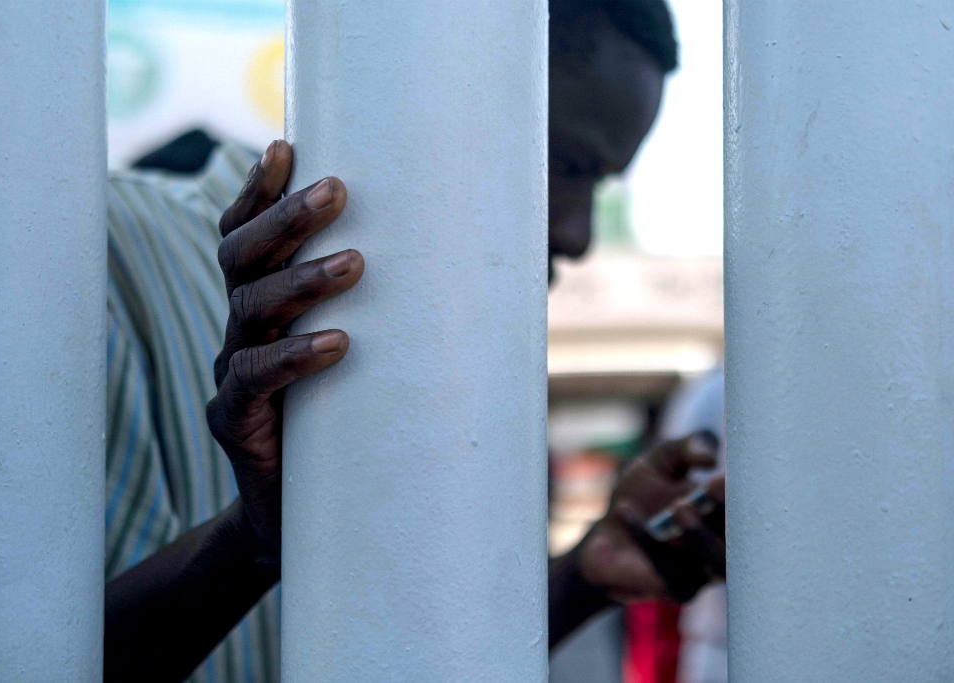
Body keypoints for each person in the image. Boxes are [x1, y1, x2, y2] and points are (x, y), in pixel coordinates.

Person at [102, 1, 724, 681]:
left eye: (599, 184)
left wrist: (584, 576)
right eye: (568, 164)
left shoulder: (450, 358)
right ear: (427, 90)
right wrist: (252, 542)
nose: (577, 236)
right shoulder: (102, 258)